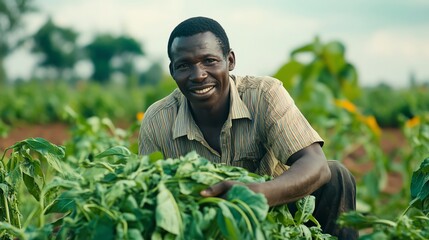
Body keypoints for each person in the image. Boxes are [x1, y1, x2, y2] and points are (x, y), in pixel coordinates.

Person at [139, 16, 358, 239]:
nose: (198, 75)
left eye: (209, 61)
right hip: (203, 228)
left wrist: (258, 194)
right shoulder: (158, 120)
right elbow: (147, 197)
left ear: (230, 60)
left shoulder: (264, 95)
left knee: (336, 175)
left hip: (274, 218)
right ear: (172, 70)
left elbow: (316, 164)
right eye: (184, 66)